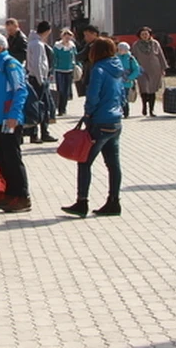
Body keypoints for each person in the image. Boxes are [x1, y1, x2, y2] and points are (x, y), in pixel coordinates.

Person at [62, 37, 125, 217]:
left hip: (99, 120)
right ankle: (114, 201)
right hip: (115, 120)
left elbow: (93, 95)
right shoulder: (117, 68)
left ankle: (82, 202)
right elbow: (121, 93)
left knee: (84, 161)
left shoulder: (98, 69)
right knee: (113, 164)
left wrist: (88, 114)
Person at [0, 33, 31, 213]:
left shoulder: (10, 64)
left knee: (12, 158)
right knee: (2, 158)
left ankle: (22, 196)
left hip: (8, 120)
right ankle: (10, 193)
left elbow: (20, 90)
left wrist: (14, 115)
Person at [26, 21, 57, 143]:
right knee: (43, 106)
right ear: (47, 31)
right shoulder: (38, 44)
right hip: (38, 79)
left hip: (34, 78)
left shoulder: (32, 42)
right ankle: (42, 133)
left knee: (37, 106)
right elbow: (37, 63)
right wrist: (41, 80)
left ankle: (36, 133)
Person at [131, 26, 168, 117]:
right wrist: (132, 69)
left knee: (152, 89)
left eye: (146, 34)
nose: (144, 36)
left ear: (149, 35)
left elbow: (160, 56)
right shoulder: (136, 45)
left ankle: (151, 110)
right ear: (139, 35)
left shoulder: (155, 43)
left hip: (154, 69)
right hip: (141, 70)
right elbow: (132, 58)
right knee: (144, 88)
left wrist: (163, 68)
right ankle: (144, 106)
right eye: (142, 34)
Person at [53, 28, 77, 116]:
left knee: (67, 91)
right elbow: (54, 58)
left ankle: (64, 108)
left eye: (69, 38)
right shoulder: (57, 46)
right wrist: (52, 69)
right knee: (61, 90)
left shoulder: (72, 46)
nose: (67, 39)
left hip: (69, 70)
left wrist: (77, 66)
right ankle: (59, 109)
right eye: (66, 37)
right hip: (59, 70)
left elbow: (75, 56)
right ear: (62, 36)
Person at [117, 42, 142, 119]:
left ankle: (126, 112)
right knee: (117, 97)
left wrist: (130, 78)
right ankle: (118, 111)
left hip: (126, 82)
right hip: (116, 81)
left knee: (124, 97)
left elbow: (136, 70)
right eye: (120, 49)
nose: (121, 51)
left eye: (123, 49)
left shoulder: (131, 58)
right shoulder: (115, 57)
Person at [75, 25, 100, 96]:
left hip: (93, 73)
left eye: (87, 35)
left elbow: (81, 56)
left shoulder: (93, 45)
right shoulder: (90, 44)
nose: (85, 38)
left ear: (94, 34)